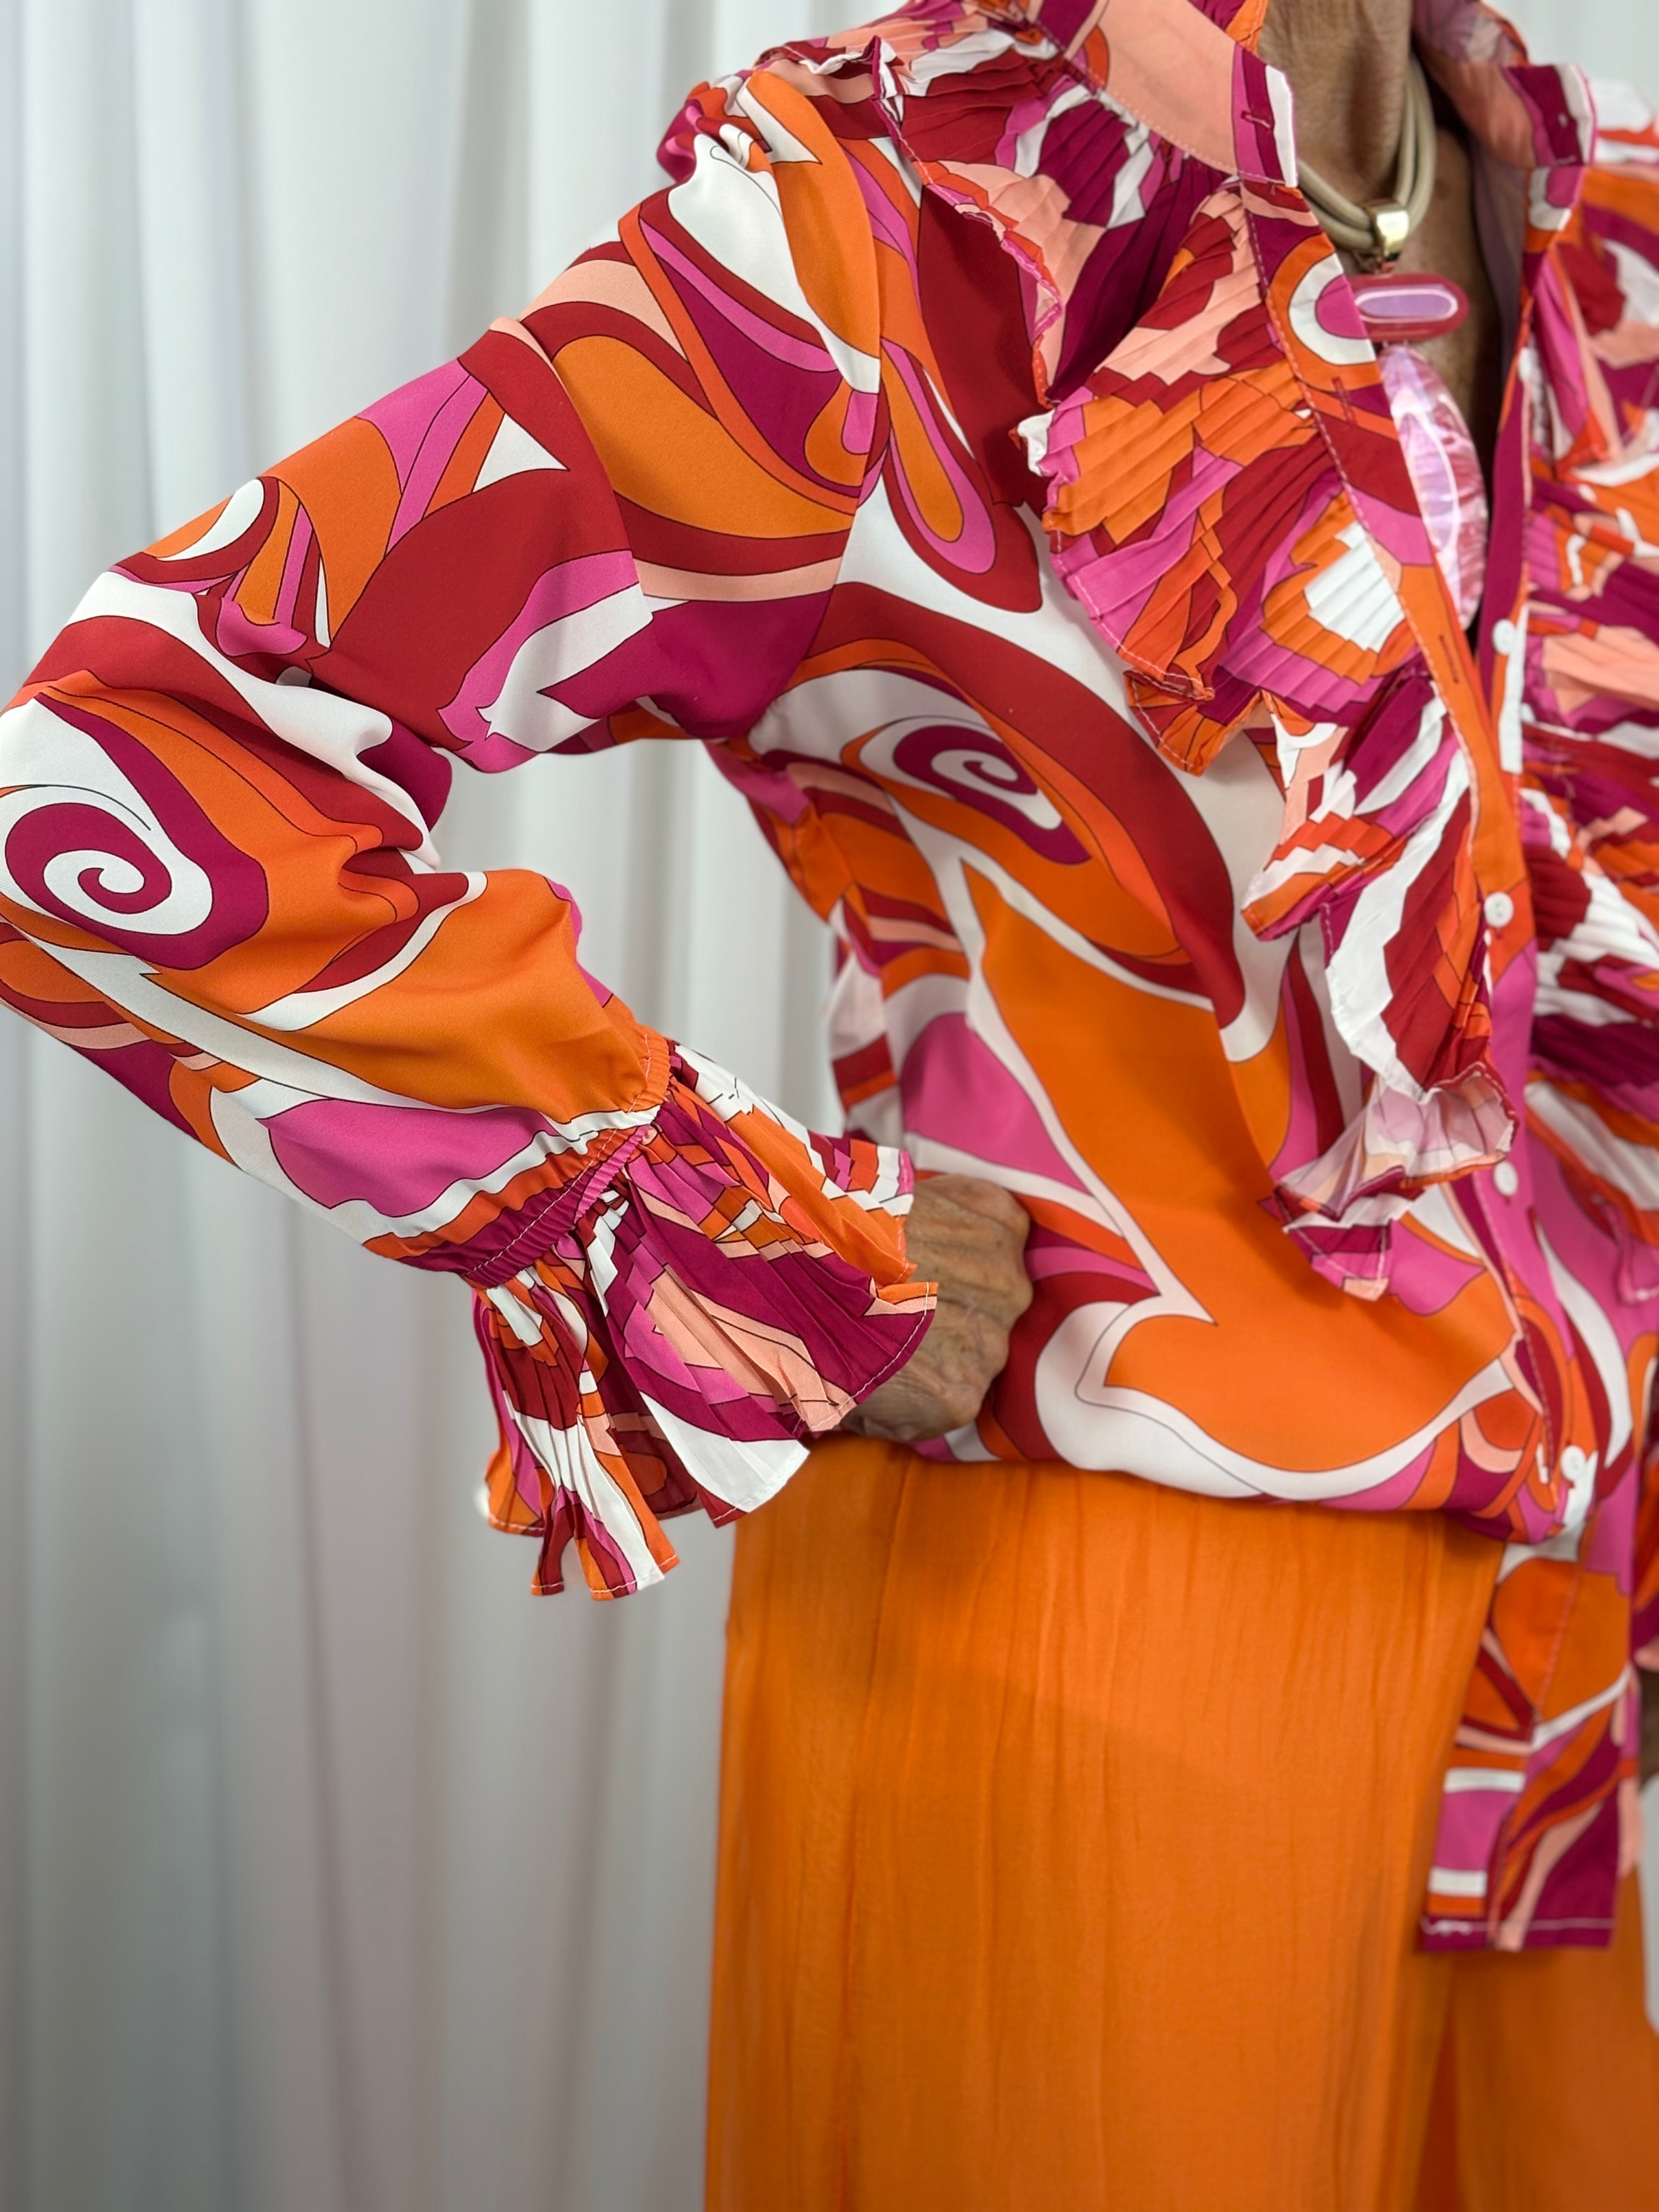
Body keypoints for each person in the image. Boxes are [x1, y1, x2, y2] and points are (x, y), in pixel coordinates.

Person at [4, 0, 1659, 2200]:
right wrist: (742, 1229)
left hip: (1535, 1701)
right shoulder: (880, 238)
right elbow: (123, 767)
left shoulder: (1594, 230)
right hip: (1103, 1627)